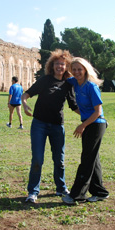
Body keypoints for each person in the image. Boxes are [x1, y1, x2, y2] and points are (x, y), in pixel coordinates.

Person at [21, 49, 79, 203]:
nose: (60, 66)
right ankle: (33, 192)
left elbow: (73, 106)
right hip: (39, 124)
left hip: (57, 126)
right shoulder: (45, 80)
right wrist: (25, 105)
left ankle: (61, 188)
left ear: (66, 67)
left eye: (63, 64)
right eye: (57, 64)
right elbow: (26, 94)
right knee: (37, 159)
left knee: (59, 159)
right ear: (52, 66)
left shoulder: (68, 84)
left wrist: (90, 116)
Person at [62, 57, 109, 205]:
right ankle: (100, 192)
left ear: (85, 70)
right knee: (93, 159)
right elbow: (61, 78)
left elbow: (97, 112)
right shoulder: (75, 82)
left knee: (87, 159)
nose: (76, 72)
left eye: (79, 69)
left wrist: (82, 126)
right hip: (89, 123)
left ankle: (77, 195)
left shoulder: (91, 86)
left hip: (96, 124)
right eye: (74, 69)